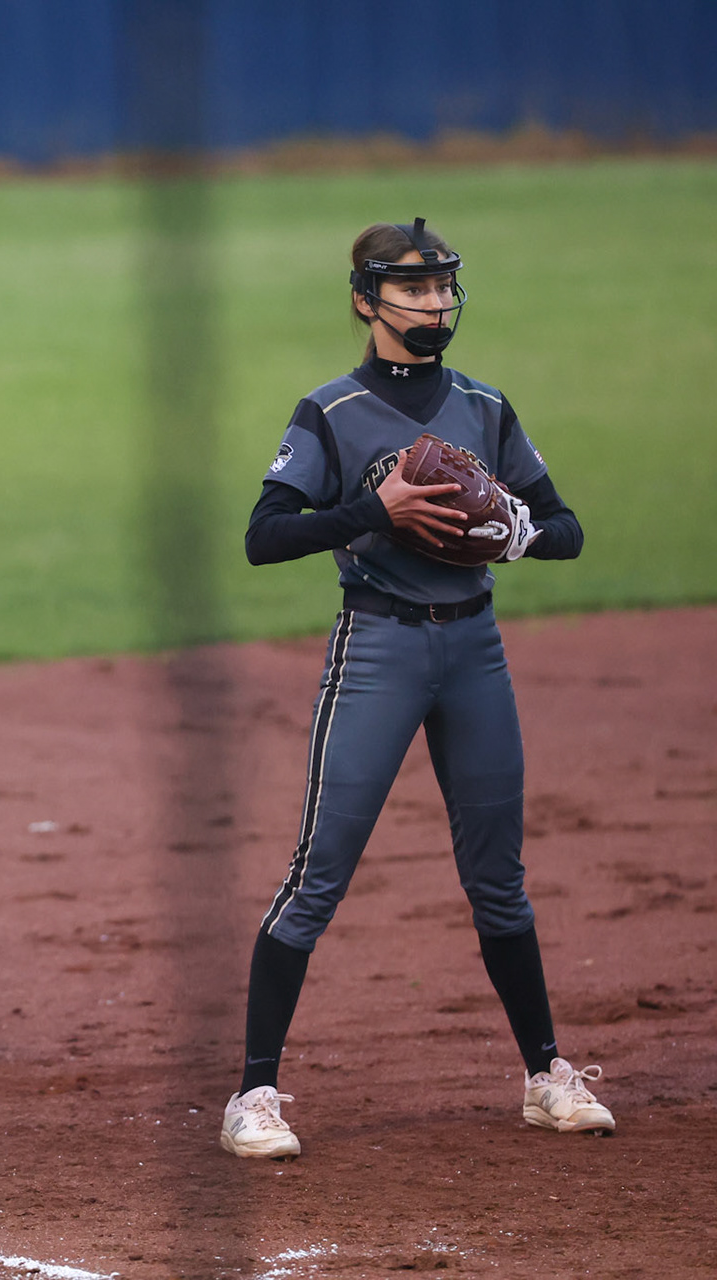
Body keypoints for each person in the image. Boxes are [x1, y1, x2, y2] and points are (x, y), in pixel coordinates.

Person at [220, 219, 612, 1160]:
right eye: (414, 289)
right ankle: (253, 1095)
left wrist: (513, 531)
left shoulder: (484, 406)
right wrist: (373, 513)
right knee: (318, 877)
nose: (434, 304)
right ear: (367, 300)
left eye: (443, 289)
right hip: (379, 653)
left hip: (474, 651)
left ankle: (545, 1076)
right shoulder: (333, 411)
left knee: (499, 883)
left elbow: (566, 529)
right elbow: (265, 534)